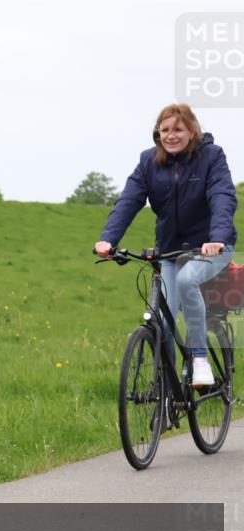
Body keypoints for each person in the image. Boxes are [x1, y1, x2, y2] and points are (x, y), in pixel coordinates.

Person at [96, 103, 238, 386]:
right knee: (162, 320)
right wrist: (109, 239)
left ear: (192, 131)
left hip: (209, 248)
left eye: (178, 129)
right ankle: (167, 390)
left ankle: (199, 361)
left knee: (188, 281)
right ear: (157, 133)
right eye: (165, 130)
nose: (171, 136)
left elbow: (222, 196)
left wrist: (218, 237)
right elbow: (129, 200)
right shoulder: (149, 161)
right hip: (170, 251)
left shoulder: (211, 157)